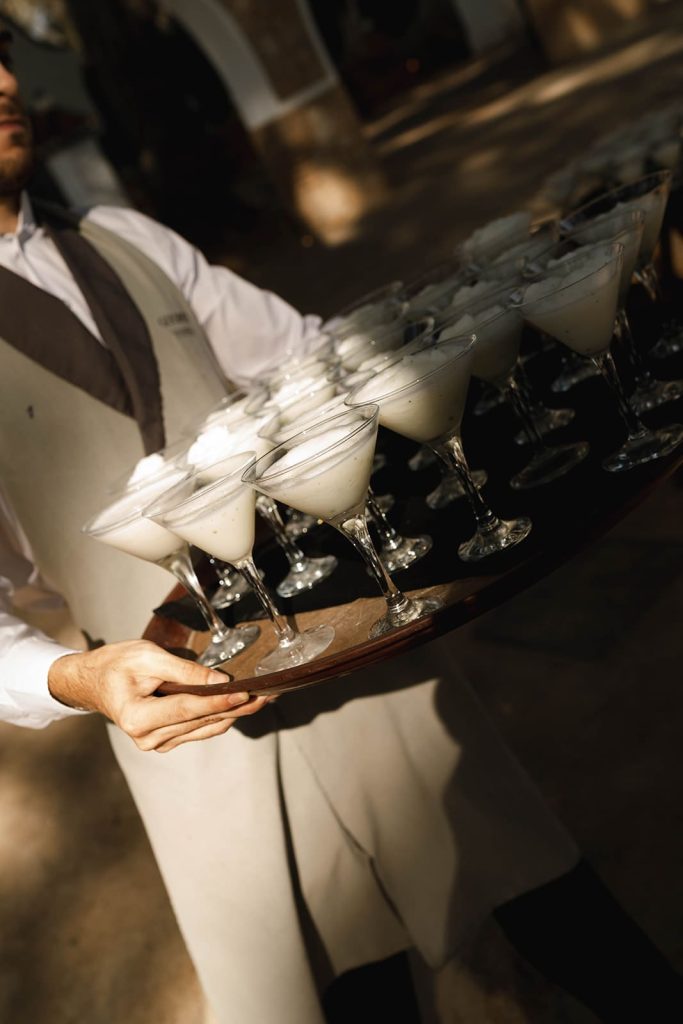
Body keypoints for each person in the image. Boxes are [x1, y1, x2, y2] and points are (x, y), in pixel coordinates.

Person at [0, 29, 680, 1024]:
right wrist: (75, 678)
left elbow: (310, 360)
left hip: (345, 634)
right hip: (181, 719)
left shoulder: (124, 237)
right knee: (342, 990)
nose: (4, 81)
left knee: (555, 904)